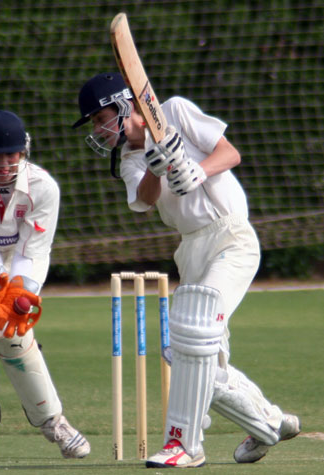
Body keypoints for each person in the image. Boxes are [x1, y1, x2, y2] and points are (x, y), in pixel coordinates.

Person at [72, 73, 300, 468]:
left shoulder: (173, 111)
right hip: (191, 249)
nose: (98, 129)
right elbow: (144, 200)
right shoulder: (129, 160)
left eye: (99, 118)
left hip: (231, 237)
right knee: (192, 355)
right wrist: (155, 168)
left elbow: (230, 154)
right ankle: (270, 423)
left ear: (123, 105)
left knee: (196, 335)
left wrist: (199, 171)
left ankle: (185, 445)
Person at [0, 109, 90, 460]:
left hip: (23, 260)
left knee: (13, 331)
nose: (3, 164)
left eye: (11, 155)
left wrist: (19, 292)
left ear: (24, 150)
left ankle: (54, 423)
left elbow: (33, 249)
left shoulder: (44, 187)